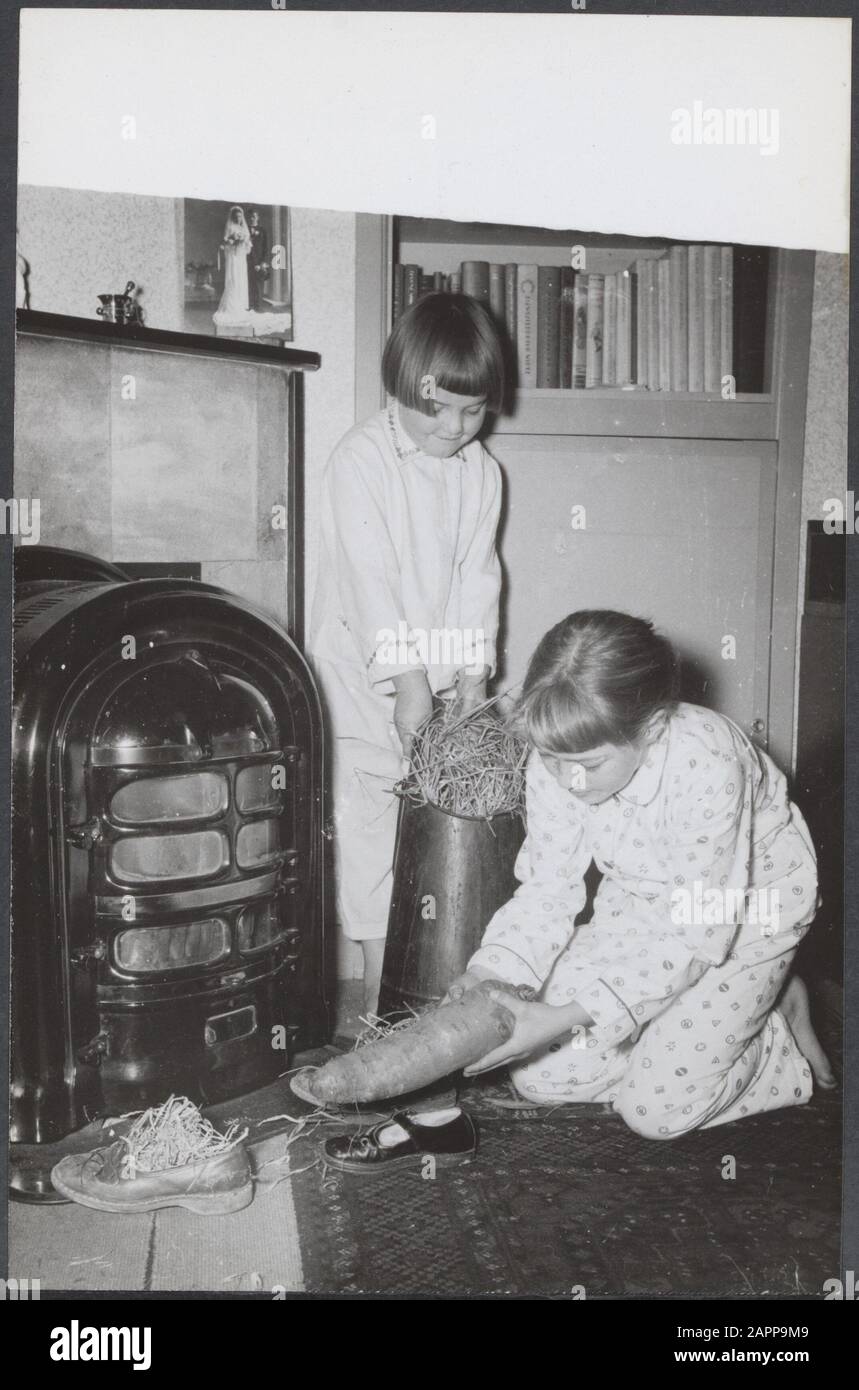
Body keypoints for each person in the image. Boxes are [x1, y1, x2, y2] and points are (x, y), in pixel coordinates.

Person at [322, 610, 834, 1172]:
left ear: (654, 729)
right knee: (540, 1076)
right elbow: (546, 889)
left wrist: (570, 1014)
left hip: (740, 919)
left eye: (587, 764)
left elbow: (693, 937)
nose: (570, 783)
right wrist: (492, 971)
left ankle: (769, 1036)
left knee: (655, 1110)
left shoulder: (707, 761)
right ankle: (702, 1023)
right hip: (641, 903)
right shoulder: (560, 757)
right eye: (553, 762)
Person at [310, 292, 507, 1013]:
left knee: (432, 831)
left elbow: (475, 576)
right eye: (438, 411)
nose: (454, 429)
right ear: (401, 388)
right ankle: (372, 997)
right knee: (368, 829)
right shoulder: (360, 461)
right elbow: (371, 580)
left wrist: (470, 673)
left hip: (436, 679)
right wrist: (409, 683)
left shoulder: (480, 472)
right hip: (362, 681)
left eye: (472, 411)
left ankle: (429, 985)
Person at [216, 205, 251, 315]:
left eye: (240, 217)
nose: (238, 219)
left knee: (241, 278)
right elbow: (226, 241)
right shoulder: (230, 227)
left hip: (241, 256)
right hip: (233, 256)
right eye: (236, 217)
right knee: (233, 278)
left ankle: (240, 304)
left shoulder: (244, 228)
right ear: (233, 217)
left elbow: (248, 245)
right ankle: (231, 305)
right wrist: (232, 241)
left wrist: (243, 241)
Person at [247, 209, 270, 312]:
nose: (252, 218)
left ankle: (258, 306)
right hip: (247, 260)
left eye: (254, 216)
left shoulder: (262, 230)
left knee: (258, 283)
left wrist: (261, 262)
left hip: (259, 260)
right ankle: (249, 305)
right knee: (248, 283)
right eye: (251, 216)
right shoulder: (245, 229)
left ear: (258, 218)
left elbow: (265, 247)